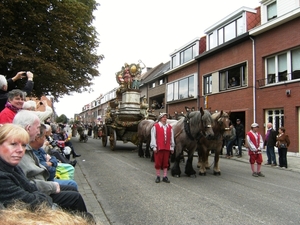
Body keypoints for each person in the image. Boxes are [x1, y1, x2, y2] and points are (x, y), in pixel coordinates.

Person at [13, 110, 89, 213]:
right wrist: (51, 186)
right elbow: (27, 184)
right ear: (28, 128)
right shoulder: (20, 151)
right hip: (36, 193)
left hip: (39, 187)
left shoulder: (25, 146)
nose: (38, 132)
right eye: (38, 128)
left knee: (73, 191)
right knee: (75, 196)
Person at [0, 123, 53, 209]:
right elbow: (33, 204)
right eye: (13, 144)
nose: (20, 150)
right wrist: (43, 197)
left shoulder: (13, 167)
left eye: (24, 145)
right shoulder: (2, 176)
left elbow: (33, 189)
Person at [32, 124, 78, 189]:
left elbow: (52, 160)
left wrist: (51, 162)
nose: (45, 138)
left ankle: (69, 160)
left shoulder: (38, 149)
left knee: (59, 151)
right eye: (44, 136)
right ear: (37, 137)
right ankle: (68, 162)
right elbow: (49, 171)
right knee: (72, 184)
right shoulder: (33, 151)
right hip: (44, 181)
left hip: (46, 178)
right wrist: (51, 163)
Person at [150, 112, 175, 183]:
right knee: (158, 163)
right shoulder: (156, 126)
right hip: (159, 147)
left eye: (166, 117)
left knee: (165, 162)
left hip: (167, 147)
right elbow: (153, 137)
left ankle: (165, 176)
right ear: (160, 118)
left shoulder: (169, 127)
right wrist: (154, 147)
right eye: (164, 117)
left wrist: (172, 147)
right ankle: (158, 176)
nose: (165, 118)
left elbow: (171, 138)